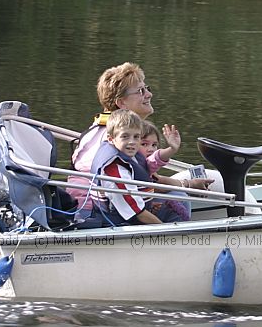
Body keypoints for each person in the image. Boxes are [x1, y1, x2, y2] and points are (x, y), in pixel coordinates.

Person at [67, 62, 184, 204]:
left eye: (147, 89)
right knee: (180, 197)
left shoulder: (96, 129)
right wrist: (186, 185)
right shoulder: (123, 138)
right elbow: (150, 180)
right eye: (141, 91)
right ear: (121, 103)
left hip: (80, 200)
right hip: (100, 206)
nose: (149, 94)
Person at [89, 109, 212, 225]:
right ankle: (177, 240)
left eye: (136, 137)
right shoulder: (115, 168)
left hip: (139, 205)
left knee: (177, 196)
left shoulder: (129, 154)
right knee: (176, 207)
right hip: (123, 219)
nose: (132, 141)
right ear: (111, 139)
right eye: (125, 136)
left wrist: (172, 149)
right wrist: (165, 229)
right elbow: (137, 212)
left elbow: (153, 162)